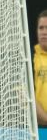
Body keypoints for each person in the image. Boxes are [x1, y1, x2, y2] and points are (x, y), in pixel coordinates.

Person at [33, 9, 47, 139]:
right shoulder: (29, 59)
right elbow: (26, 97)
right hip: (38, 130)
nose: (44, 32)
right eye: (41, 28)